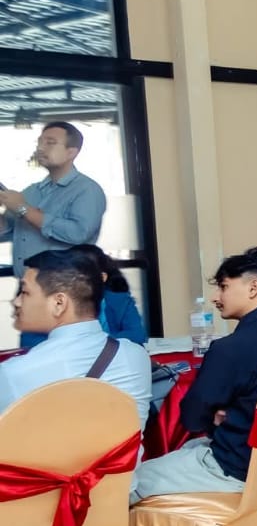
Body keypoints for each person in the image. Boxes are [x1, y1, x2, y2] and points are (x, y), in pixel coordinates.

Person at [130, 248, 257, 501]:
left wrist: (221, 415)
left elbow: (192, 419)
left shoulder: (231, 348)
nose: (216, 297)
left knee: (130, 483)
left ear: (253, 288)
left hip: (234, 467)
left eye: (223, 286)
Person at [0, 249, 150, 415]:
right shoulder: (136, 357)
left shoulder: (12, 374)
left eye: (25, 292)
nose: (16, 301)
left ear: (59, 303)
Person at [0, 121, 108, 265]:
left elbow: (78, 234)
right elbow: (9, 232)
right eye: (39, 142)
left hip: (66, 284)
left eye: (50, 143)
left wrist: (22, 208)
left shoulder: (87, 189)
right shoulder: (31, 191)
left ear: (71, 152)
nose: (40, 148)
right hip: (27, 283)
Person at [19, 243, 147, 350]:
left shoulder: (120, 300)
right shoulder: (48, 301)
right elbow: (29, 343)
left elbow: (137, 335)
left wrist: (90, 344)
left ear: (102, 278)